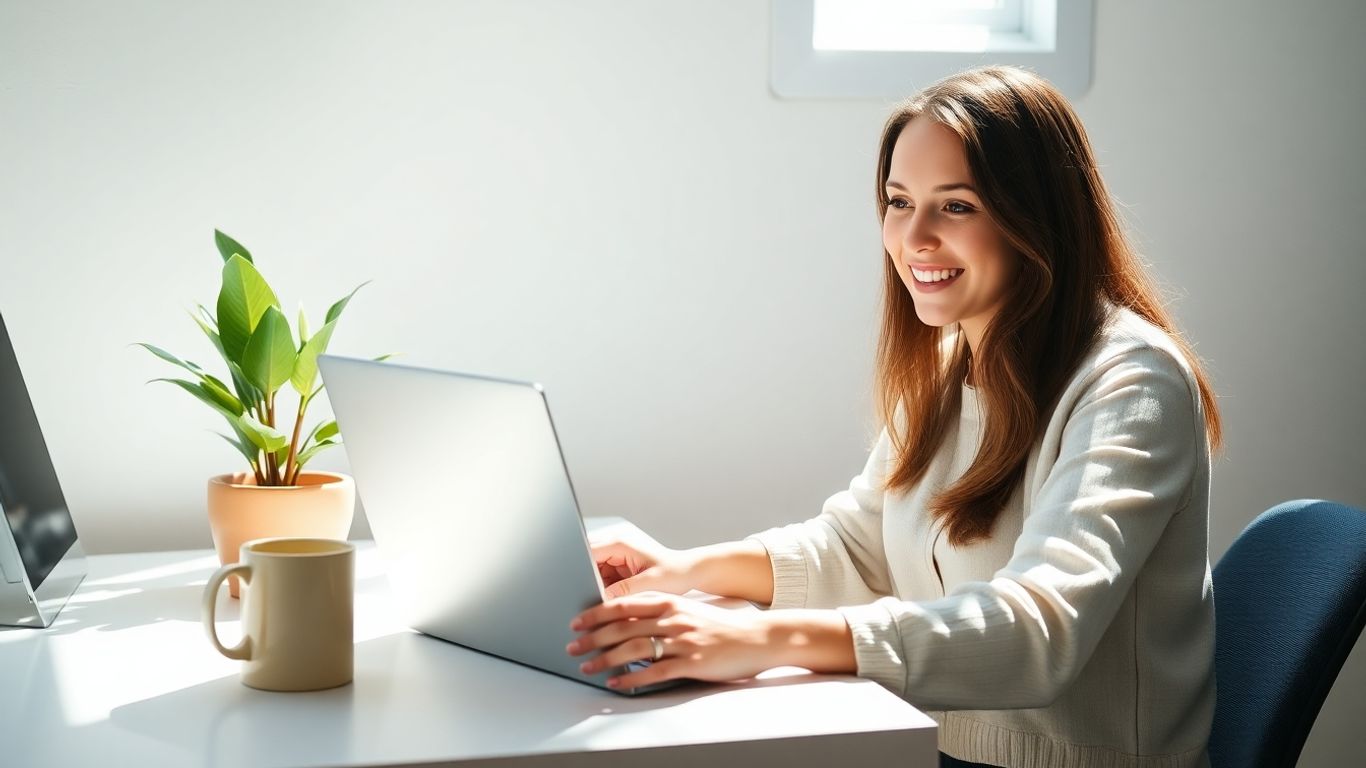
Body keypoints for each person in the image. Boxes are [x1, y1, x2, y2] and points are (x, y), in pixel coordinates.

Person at [566, 65, 1222, 768]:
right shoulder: (952, 363)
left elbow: (1040, 630)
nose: (915, 238)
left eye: (957, 206)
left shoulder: (1131, 383)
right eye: (898, 201)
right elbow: (860, 546)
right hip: (934, 748)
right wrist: (679, 569)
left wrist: (758, 641)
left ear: (1038, 217)